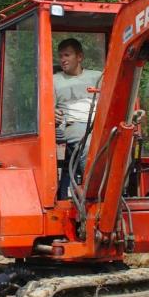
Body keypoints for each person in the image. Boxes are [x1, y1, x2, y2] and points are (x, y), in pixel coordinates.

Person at [54, 38, 102, 200]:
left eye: (67, 55)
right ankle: (94, 194)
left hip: (100, 122)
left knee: (125, 143)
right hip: (73, 124)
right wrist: (52, 113)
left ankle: (117, 190)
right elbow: (47, 107)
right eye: (60, 56)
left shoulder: (97, 77)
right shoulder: (54, 80)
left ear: (79, 57)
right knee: (88, 144)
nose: (63, 60)